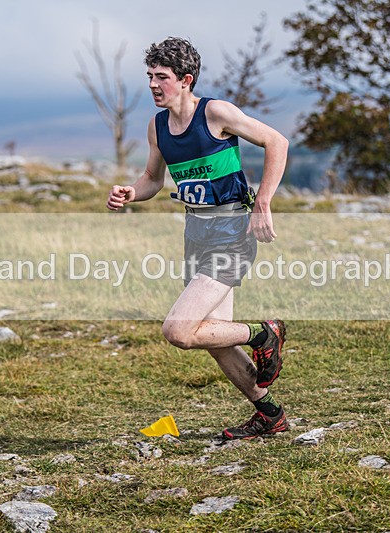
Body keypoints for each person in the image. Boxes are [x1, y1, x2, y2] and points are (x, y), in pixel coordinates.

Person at [106, 37, 289, 440]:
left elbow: (278, 142)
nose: (153, 85)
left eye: (163, 77)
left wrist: (263, 203)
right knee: (215, 337)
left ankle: (264, 333)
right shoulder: (157, 127)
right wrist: (131, 193)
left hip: (231, 235)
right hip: (197, 237)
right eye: (150, 76)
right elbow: (154, 178)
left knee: (179, 330)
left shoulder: (216, 113)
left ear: (186, 80)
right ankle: (270, 415)